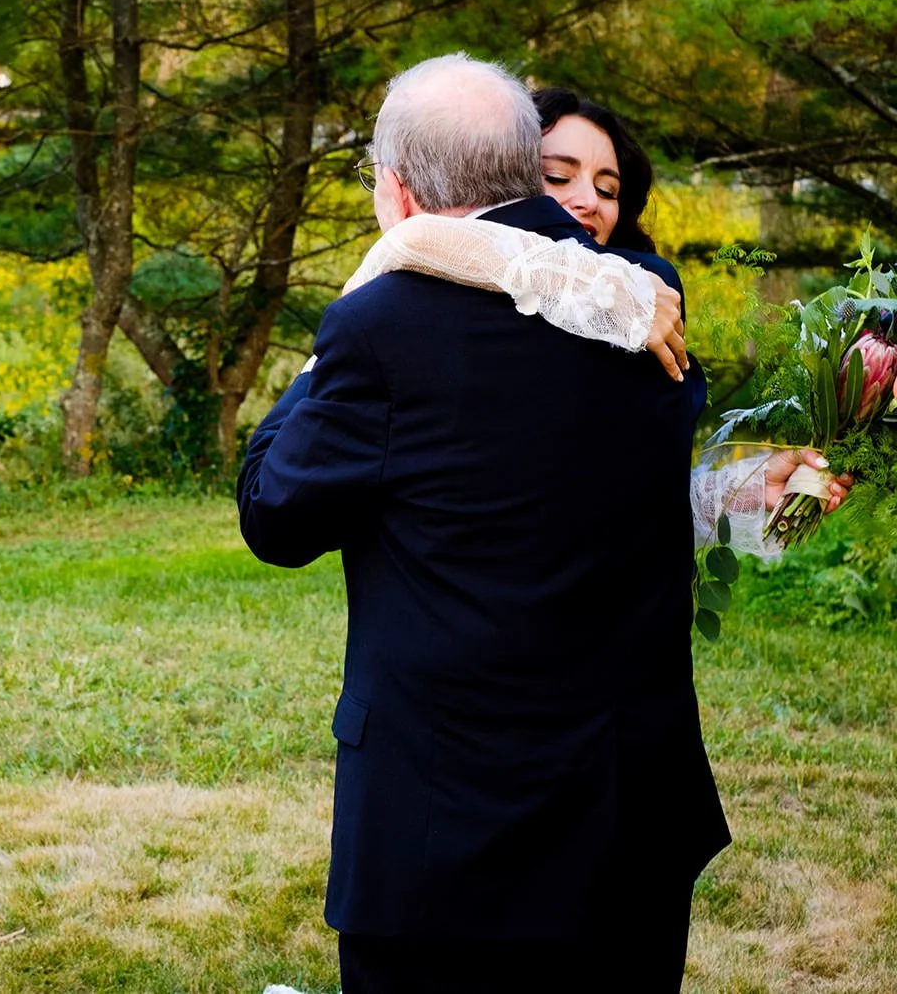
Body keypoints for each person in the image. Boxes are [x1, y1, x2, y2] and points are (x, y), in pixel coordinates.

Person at [238, 54, 730, 992]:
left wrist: (349, 310)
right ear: (524, 164)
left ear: (397, 188)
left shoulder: (378, 327)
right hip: (631, 808)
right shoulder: (642, 302)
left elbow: (275, 515)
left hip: (448, 831)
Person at [351, 86, 851, 548]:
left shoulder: (645, 305)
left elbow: (618, 502)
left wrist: (737, 490)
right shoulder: (425, 316)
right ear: (502, 178)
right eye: (557, 176)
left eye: (608, 189)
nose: (588, 201)